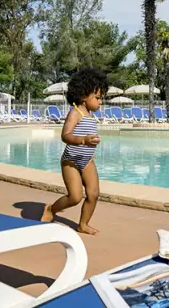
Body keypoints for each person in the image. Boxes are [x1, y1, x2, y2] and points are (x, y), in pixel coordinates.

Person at [41, 67, 108, 235]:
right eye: (97, 98)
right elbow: (66, 135)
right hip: (71, 160)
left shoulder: (91, 115)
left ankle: (83, 224)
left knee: (93, 194)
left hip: (87, 160)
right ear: (84, 96)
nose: (100, 102)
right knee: (75, 197)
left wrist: (91, 142)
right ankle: (51, 209)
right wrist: (83, 140)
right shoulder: (75, 113)